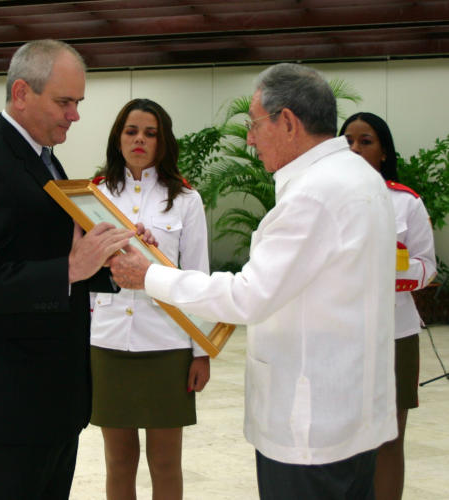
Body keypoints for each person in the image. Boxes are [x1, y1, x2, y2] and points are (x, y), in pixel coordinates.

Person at [110, 63, 398, 499]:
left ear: (288, 122)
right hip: (352, 412)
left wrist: (149, 275)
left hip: (310, 427)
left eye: (254, 124)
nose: (249, 138)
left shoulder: (314, 194)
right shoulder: (359, 177)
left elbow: (248, 296)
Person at [0, 39, 135, 499]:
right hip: (7, 407)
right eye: (64, 102)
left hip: (50, 400)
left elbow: (45, 248)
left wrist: (108, 257)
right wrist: (67, 270)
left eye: (78, 102)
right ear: (22, 93)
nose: (75, 115)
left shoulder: (42, 159)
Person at [90, 98, 210, 499]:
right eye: (131, 131)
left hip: (167, 344)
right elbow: (83, 273)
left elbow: (197, 278)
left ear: (163, 141)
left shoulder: (185, 200)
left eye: (150, 133)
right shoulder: (96, 195)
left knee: (165, 461)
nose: (139, 139)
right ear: (118, 138)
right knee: (118, 460)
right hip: (107, 341)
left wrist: (201, 352)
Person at [340, 112, 436, 500]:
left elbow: (427, 267)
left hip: (395, 333)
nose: (355, 148)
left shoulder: (405, 202)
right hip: (339, 333)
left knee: (389, 438)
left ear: (384, 152)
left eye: (366, 141)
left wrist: (388, 268)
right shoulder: (320, 200)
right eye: (348, 141)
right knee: (342, 439)